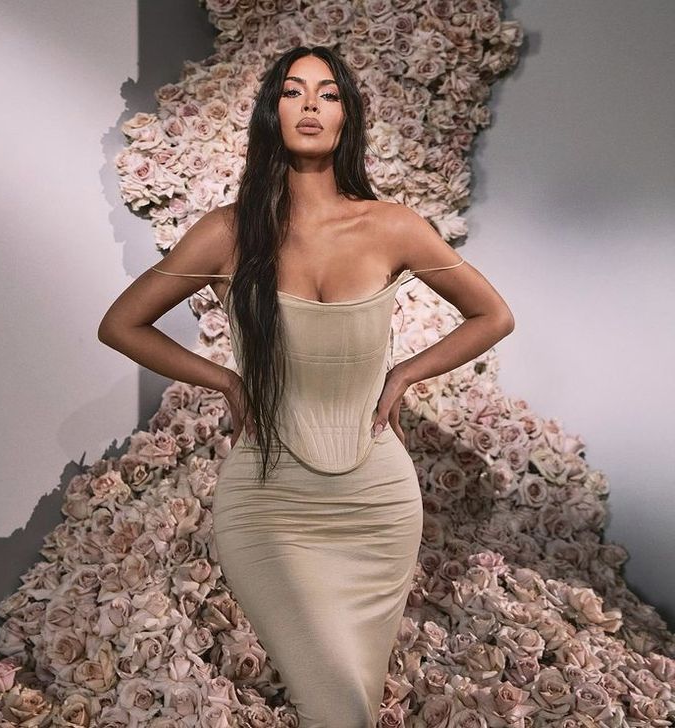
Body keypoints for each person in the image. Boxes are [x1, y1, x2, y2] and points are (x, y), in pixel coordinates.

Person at [98, 45, 514, 728]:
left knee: (353, 702)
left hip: (377, 501)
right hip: (267, 503)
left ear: (347, 115)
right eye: (294, 92)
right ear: (273, 113)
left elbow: (493, 315)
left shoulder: (393, 226)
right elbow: (121, 324)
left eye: (328, 93)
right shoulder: (228, 232)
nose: (312, 105)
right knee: (333, 701)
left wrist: (405, 374)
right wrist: (228, 382)